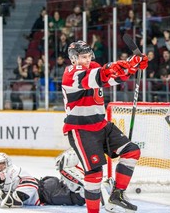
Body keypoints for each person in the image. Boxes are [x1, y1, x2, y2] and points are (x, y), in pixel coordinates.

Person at [61, 40, 148, 213]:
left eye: (88, 56)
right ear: (73, 59)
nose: (86, 60)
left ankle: (118, 195)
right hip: (81, 129)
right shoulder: (70, 72)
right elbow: (95, 78)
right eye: (82, 57)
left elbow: (112, 79)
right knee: (94, 173)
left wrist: (132, 66)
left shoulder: (93, 66)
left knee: (132, 151)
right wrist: (117, 66)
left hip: (101, 124)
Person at [0, 150, 85, 208]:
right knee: (69, 189)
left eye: (1, 164)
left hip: (46, 192)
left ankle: (86, 187)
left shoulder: (14, 171)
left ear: (8, 162)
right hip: (46, 185)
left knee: (78, 198)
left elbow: (18, 198)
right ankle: (78, 180)